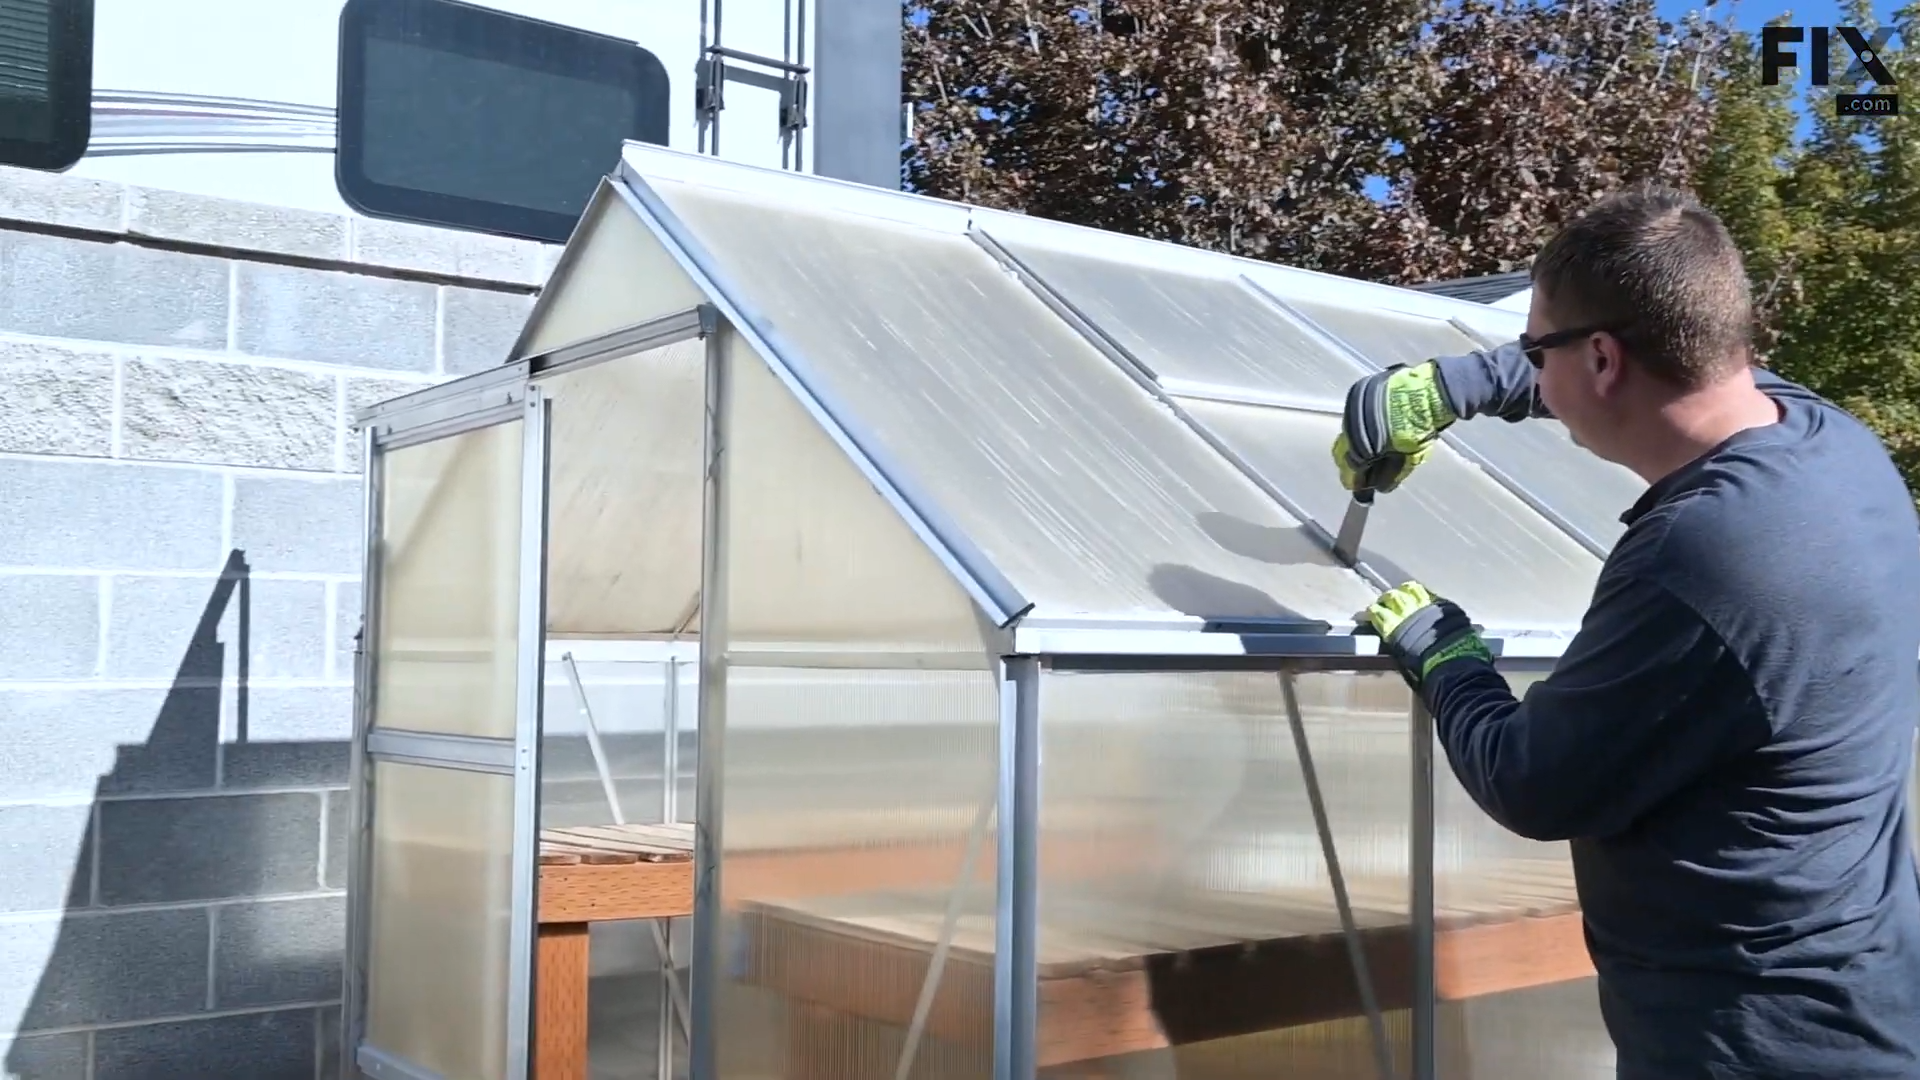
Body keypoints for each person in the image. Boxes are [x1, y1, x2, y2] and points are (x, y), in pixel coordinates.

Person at [1332, 185, 1920, 1079]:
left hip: (1753, 1038)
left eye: (1535, 351)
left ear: (1602, 358)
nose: (1528, 368)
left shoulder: (1705, 554)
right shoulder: (1830, 442)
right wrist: (1461, 385)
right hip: (1862, 986)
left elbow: (1533, 782)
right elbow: (1699, 371)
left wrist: (1442, 651)